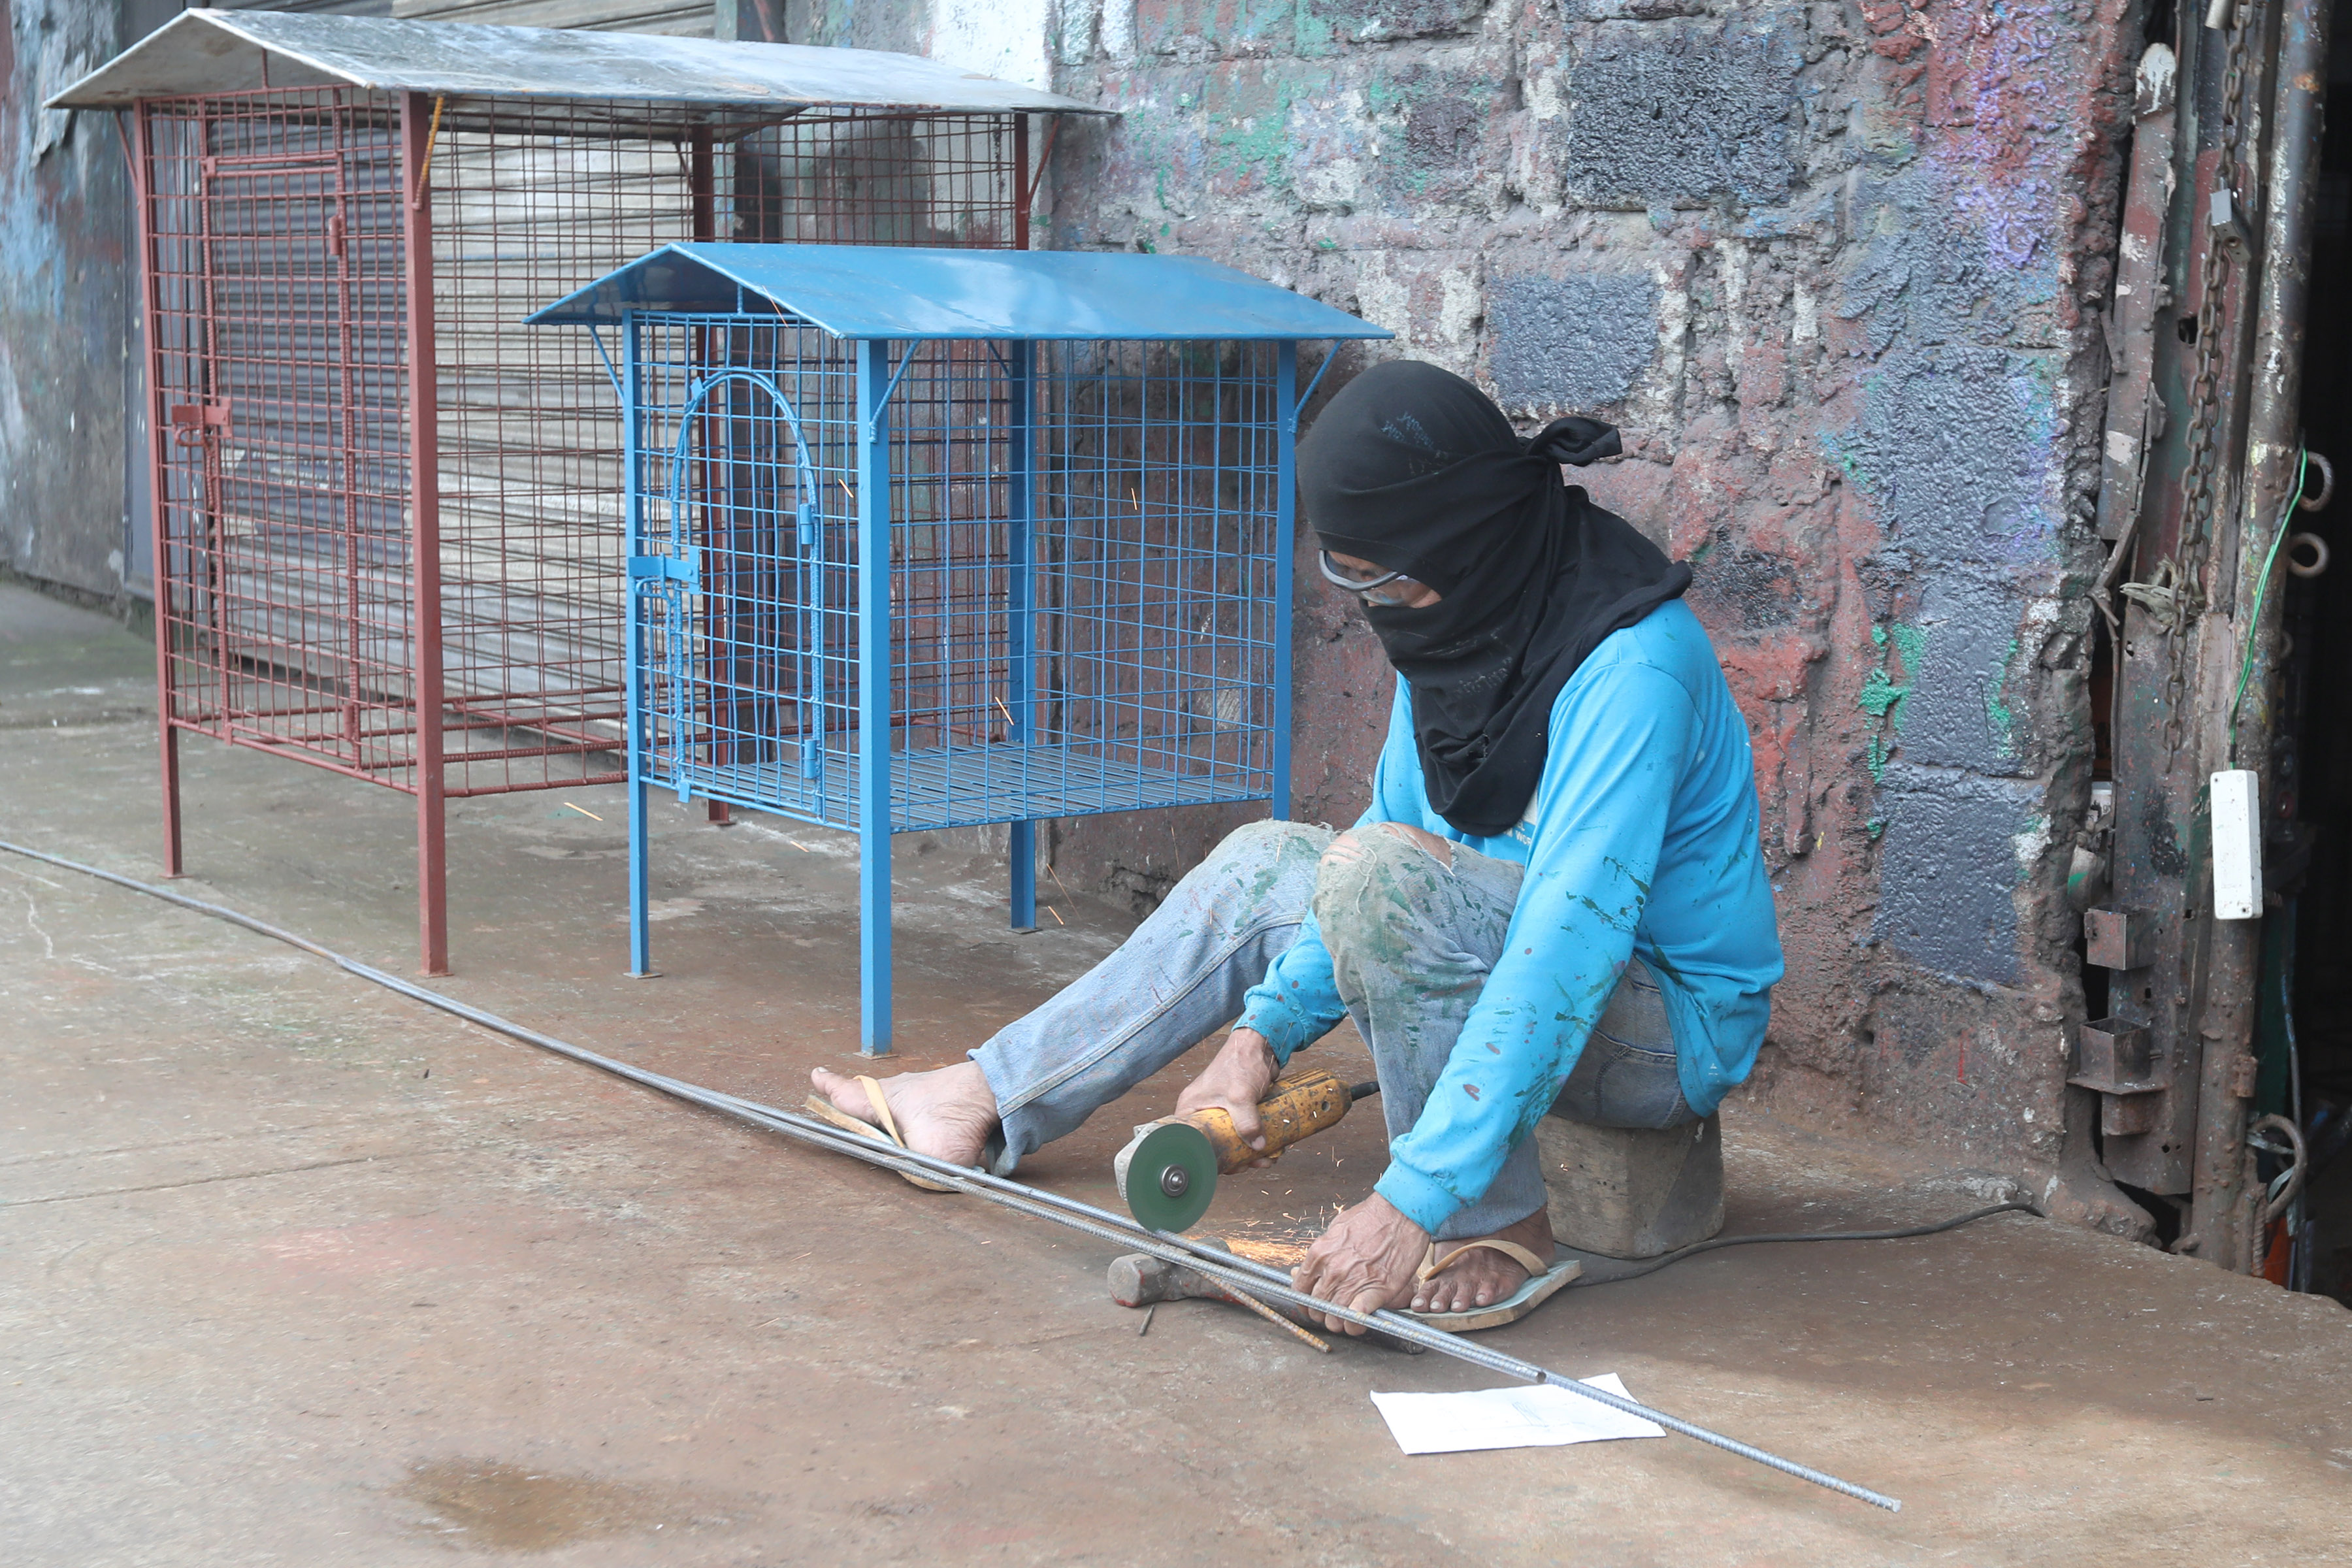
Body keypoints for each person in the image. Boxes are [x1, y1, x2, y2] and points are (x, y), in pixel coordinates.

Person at [811, 360, 1783, 1333]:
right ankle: (988, 1094)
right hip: (1497, 936)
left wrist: (1413, 1202)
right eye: (1355, 582)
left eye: (1385, 582)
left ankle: (1504, 1225)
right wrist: (1256, 1040)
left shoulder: (1631, 669)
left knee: (1381, 882)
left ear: (1462, 543)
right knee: (1269, 858)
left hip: (1657, 1023)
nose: (1376, 610)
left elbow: (1564, 955)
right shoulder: (1460, 627)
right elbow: (1385, 847)